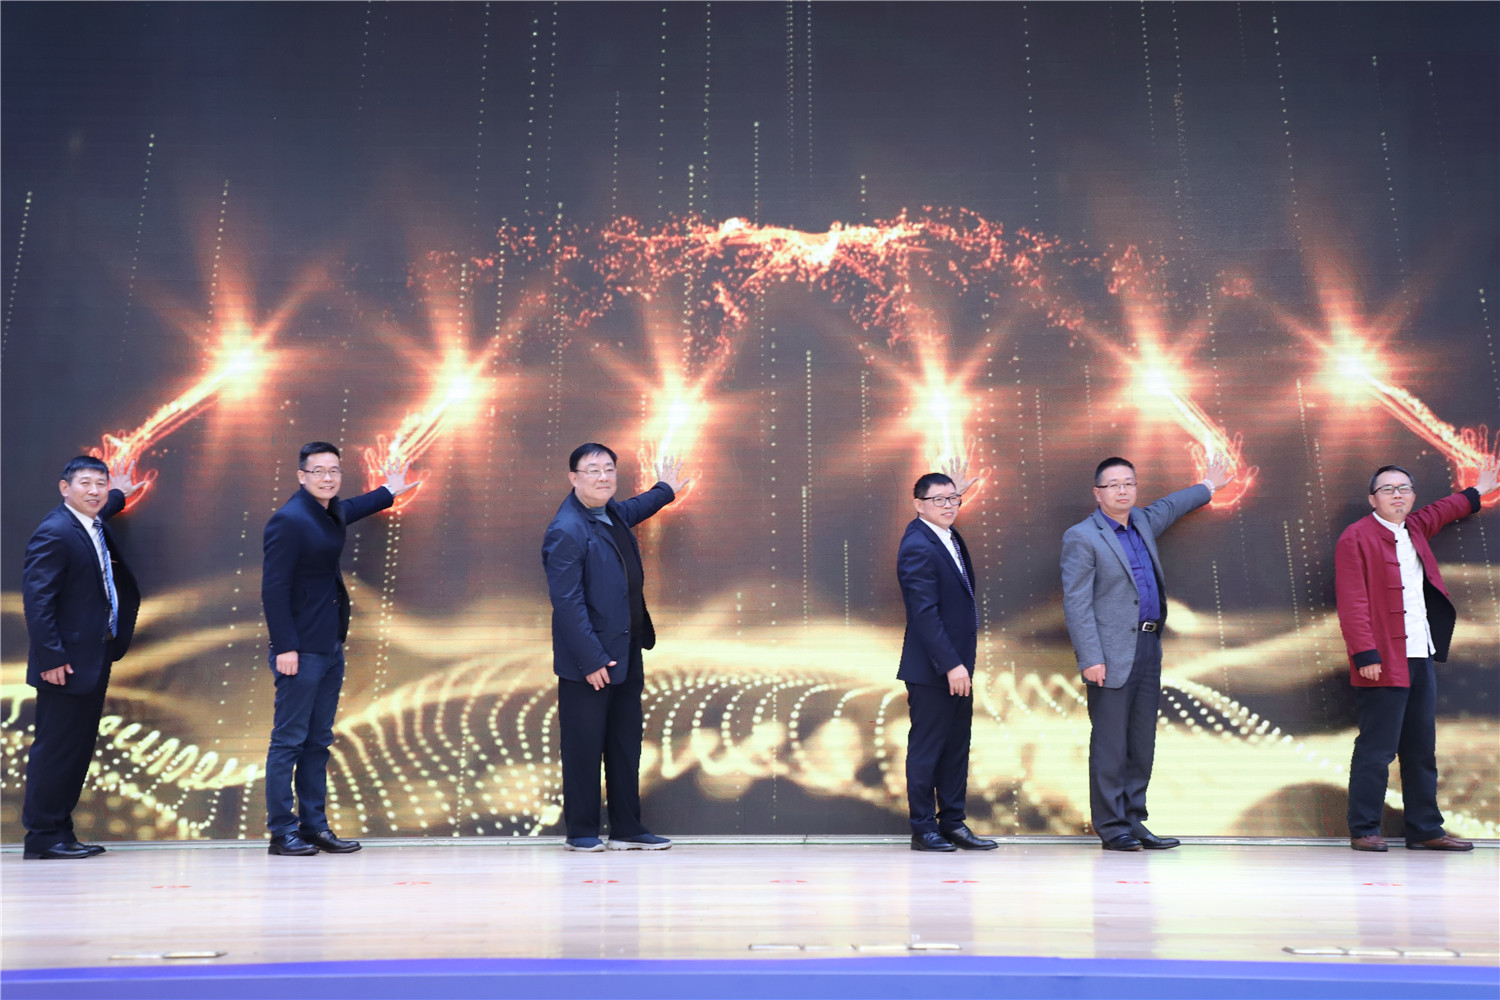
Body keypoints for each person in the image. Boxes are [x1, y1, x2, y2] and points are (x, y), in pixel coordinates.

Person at [1061, 455, 1232, 851]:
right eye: (1113, 485)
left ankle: (1134, 820)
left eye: (1129, 483)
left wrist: (1209, 485)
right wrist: (1090, 658)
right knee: (1110, 744)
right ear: (1098, 493)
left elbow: (1172, 506)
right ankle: (1111, 826)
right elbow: (1076, 602)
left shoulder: (1141, 521)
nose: (1122, 491)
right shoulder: (1082, 536)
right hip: (1109, 654)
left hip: (1148, 646)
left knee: (1141, 741)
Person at [261, 442, 417, 856]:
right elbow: (273, 589)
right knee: (289, 742)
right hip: (300, 649)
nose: (327, 478)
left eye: (334, 471)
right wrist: (285, 647)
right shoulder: (289, 519)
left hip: (329, 644)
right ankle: (282, 832)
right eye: (318, 471)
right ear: (301, 476)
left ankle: (314, 827)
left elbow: (351, 508)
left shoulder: (328, 511)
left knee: (318, 741)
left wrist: (389, 491)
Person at [1337, 457, 1498, 853]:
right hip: (1381, 660)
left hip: (1420, 653)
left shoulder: (1415, 527)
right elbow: (1352, 602)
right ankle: (1364, 829)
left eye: (1404, 489)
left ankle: (1425, 829)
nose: (1397, 495)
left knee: (1421, 748)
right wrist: (1365, 654)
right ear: (1372, 499)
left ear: (1412, 496)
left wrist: (1478, 490)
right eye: (1388, 489)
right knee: (1377, 749)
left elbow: (1444, 509)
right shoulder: (1355, 537)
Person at [542, 443, 688, 851]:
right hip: (589, 662)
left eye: (609, 469)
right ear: (573, 478)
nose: (603, 477)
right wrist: (590, 660)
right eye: (592, 470)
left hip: (626, 650)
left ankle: (627, 827)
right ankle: (582, 832)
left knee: (625, 745)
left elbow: (638, 507)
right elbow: (567, 603)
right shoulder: (567, 529)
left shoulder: (613, 514)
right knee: (584, 748)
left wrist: (665, 489)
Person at [21, 456, 144, 859]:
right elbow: (38, 602)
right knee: (57, 750)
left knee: (75, 750)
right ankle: (43, 836)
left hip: (93, 657)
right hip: (64, 664)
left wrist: (119, 493)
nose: (94, 491)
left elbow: (106, 505)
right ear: (64, 488)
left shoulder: (90, 520)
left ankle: (60, 831)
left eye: (100, 484)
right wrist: (51, 658)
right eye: (85, 483)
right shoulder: (55, 531)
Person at [898, 465, 997, 852]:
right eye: (938, 500)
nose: (949, 505)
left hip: (958, 667)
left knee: (956, 747)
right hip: (934, 670)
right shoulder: (917, 544)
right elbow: (923, 613)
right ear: (918, 504)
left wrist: (956, 491)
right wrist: (951, 665)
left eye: (953, 499)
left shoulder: (945, 535)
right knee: (928, 750)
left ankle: (953, 823)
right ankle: (924, 829)